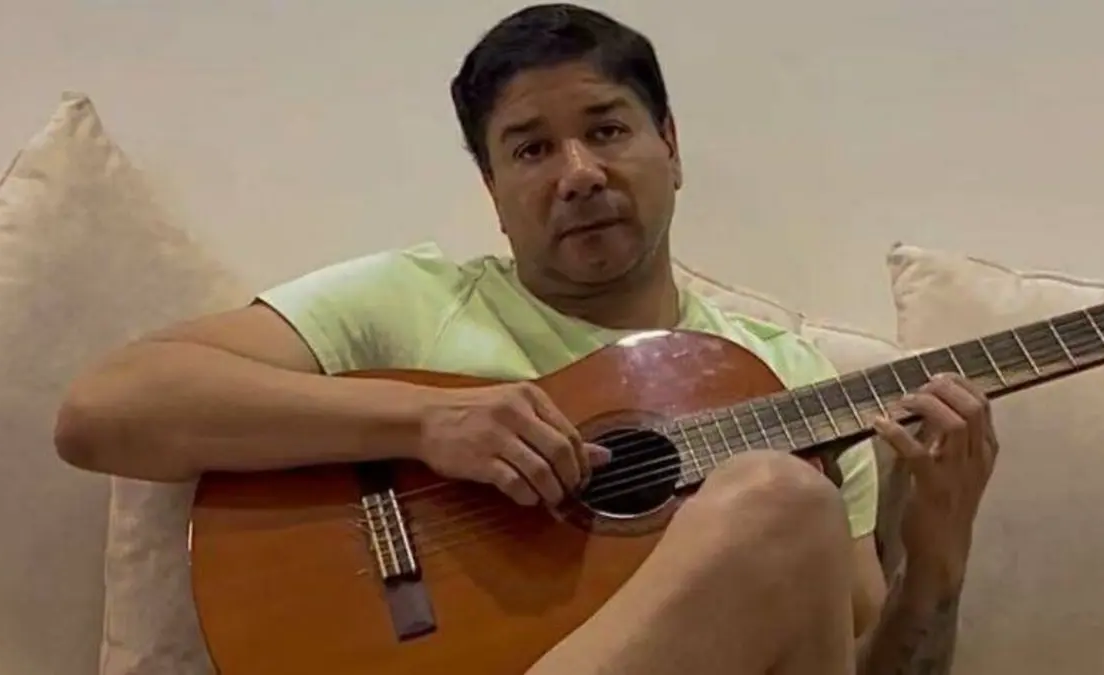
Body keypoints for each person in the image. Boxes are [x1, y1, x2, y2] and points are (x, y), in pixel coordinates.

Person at [53, 4, 999, 674]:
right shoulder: (410, 299)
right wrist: (425, 421)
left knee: (779, 500)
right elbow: (104, 410)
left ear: (670, 146)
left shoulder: (789, 378)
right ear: (493, 191)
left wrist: (938, 553)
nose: (578, 172)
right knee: (780, 497)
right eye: (533, 148)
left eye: (607, 130)